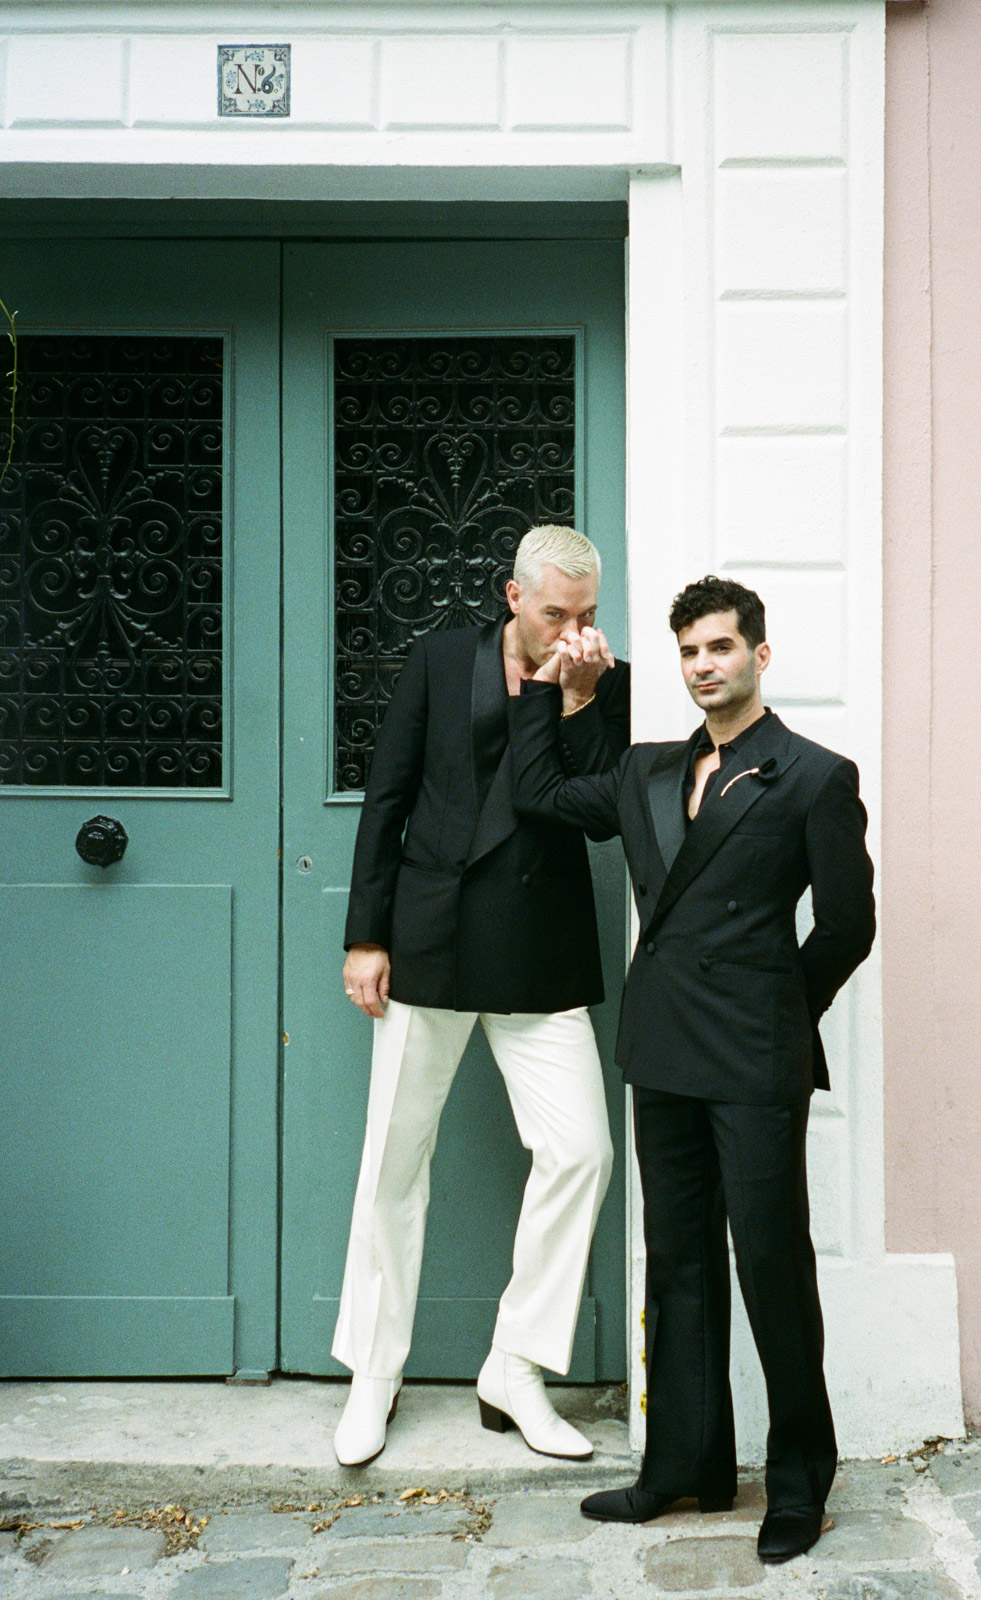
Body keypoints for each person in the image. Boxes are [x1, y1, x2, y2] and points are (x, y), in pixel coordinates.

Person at [508, 575, 875, 1564]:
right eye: (688, 652)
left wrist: (780, 1005)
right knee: (673, 1267)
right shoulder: (644, 771)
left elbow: (845, 924)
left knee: (769, 1266)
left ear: (759, 653)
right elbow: (539, 794)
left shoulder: (808, 775)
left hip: (753, 1057)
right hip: (661, 1051)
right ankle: (683, 1466)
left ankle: (796, 1484)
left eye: (720, 647)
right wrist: (550, 688)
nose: (704, 665)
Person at [332, 524, 630, 1468]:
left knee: (582, 1151)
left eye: (585, 616)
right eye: (555, 614)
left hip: (536, 948)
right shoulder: (436, 659)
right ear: (512, 597)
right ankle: (373, 1374)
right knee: (392, 1160)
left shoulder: (600, 683)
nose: (571, 630)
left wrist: (577, 700)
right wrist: (366, 934)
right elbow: (389, 794)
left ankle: (517, 1364)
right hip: (430, 935)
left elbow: (587, 813)